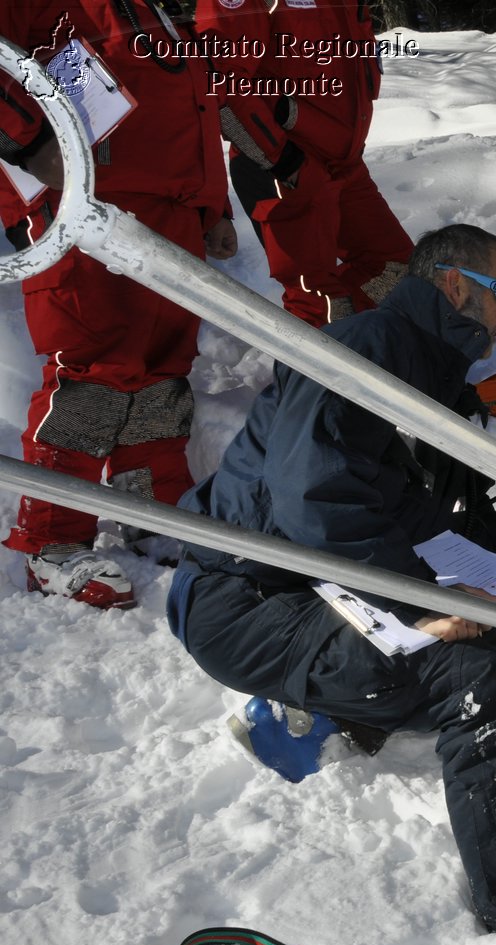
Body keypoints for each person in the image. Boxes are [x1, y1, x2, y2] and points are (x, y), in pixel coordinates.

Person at [165, 225, 496, 945]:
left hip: (295, 588)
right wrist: (419, 606)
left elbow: (414, 510)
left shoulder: (420, 371)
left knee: (488, 618)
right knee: (477, 684)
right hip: (244, 597)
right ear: (454, 285)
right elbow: (312, 496)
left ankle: (310, 717)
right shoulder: (368, 349)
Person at [1, 1, 237, 608]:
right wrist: (29, 145)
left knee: (163, 368)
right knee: (91, 369)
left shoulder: (154, 6)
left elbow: (195, 99)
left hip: (171, 211)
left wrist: (214, 206)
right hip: (81, 205)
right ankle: (49, 541)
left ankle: (151, 507)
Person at [193, 0, 413, 326]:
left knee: (399, 274)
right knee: (320, 301)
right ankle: (320, 367)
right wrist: (283, 160)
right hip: (285, 165)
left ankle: (367, 356)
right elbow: (222, 80)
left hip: (345, 164)